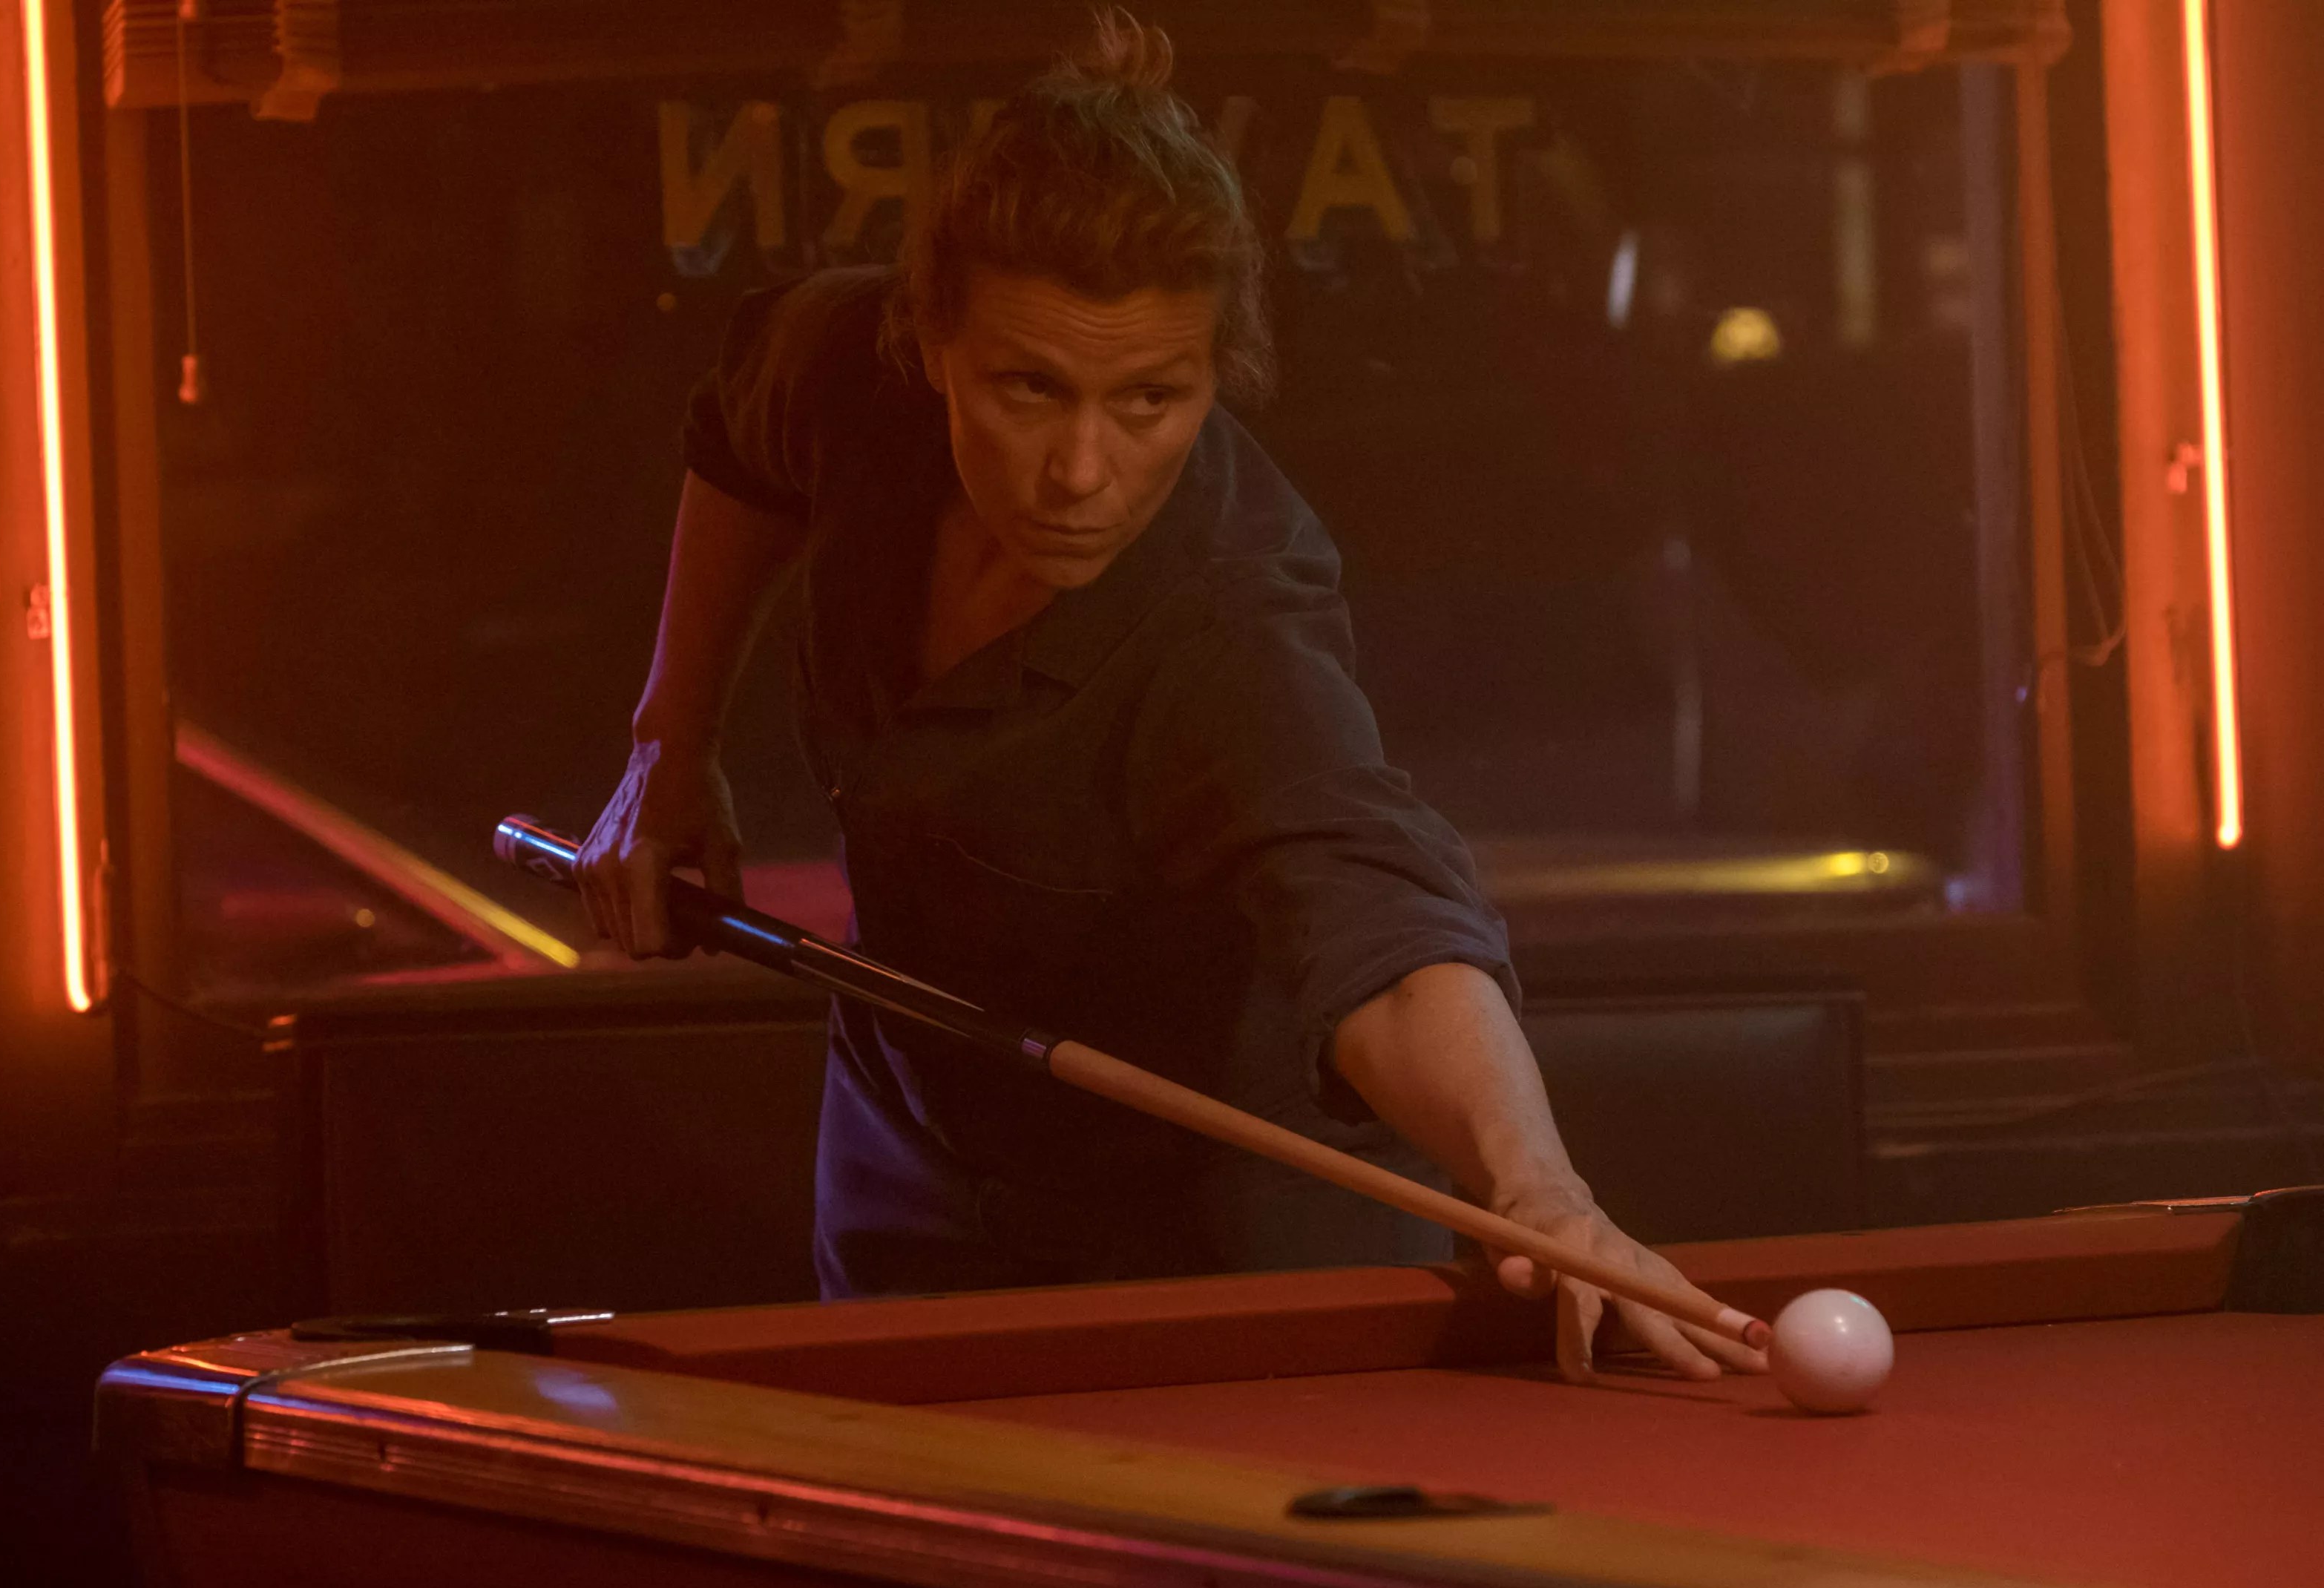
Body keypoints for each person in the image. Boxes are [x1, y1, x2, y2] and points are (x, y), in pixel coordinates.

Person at [580, 13, 1762, 1383]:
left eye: (1151, 399)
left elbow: (1378, 911)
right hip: (911, 1135)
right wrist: (670, 747)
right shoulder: (851, 367)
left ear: (1215, 373)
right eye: (1030, 388)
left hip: (1216, 1221)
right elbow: (738, 433)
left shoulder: (1227, 619)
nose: (1083, 472)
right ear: (929, 339)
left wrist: (1538, 1184)